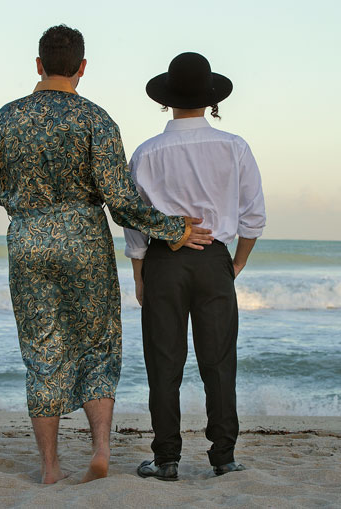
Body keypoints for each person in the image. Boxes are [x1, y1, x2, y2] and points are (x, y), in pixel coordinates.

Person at [0, 28, 213, 484]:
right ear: (82, 67)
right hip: (85, 243)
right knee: (98, 346)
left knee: (42, 351)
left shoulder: (5, 118)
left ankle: (49, 469)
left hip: (28, 242)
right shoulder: (96, 119)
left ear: (38, 64)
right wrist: (174, 230)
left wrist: (30, 207)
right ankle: (101, 449)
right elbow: (120, 198)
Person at [124, 52, 266, 480]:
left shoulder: (147, 152)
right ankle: (223, 456)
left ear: (166, 100)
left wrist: (139, 273)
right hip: (215, 261)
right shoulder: (234, 146)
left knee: (163, 364)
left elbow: (134, 220)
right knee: (218, 361)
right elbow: (253, 216)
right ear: (211, 99)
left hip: (164, 262)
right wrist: (235, 263)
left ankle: (166, 459)